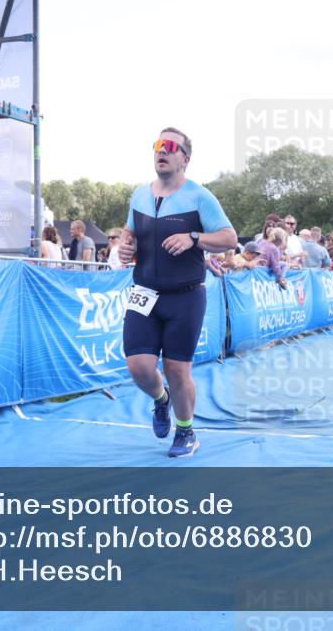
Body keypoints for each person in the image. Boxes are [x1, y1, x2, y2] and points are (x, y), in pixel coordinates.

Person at [116, 127, 237, 458]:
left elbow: (229, 238)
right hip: (144, 293)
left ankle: (186, 432)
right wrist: (126, 246)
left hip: (185, 295)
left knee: (176, 369)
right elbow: (130, 231)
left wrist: (194, 238)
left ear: (185, 158)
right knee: (139, 367)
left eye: (170, 146)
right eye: (157, 145)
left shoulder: (199, 196)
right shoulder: (140, 194)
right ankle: (161, 400)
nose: (162, 151)